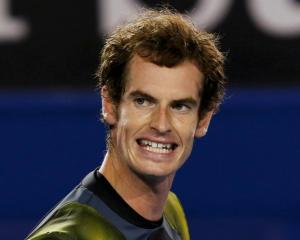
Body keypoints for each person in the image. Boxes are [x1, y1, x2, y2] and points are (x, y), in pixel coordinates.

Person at [26, 7, 226, 240]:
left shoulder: (169, 210)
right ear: (110, 104)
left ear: (203, 120)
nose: (161, 124)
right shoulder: (66, 237)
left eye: (179, 106)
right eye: (143, 101)